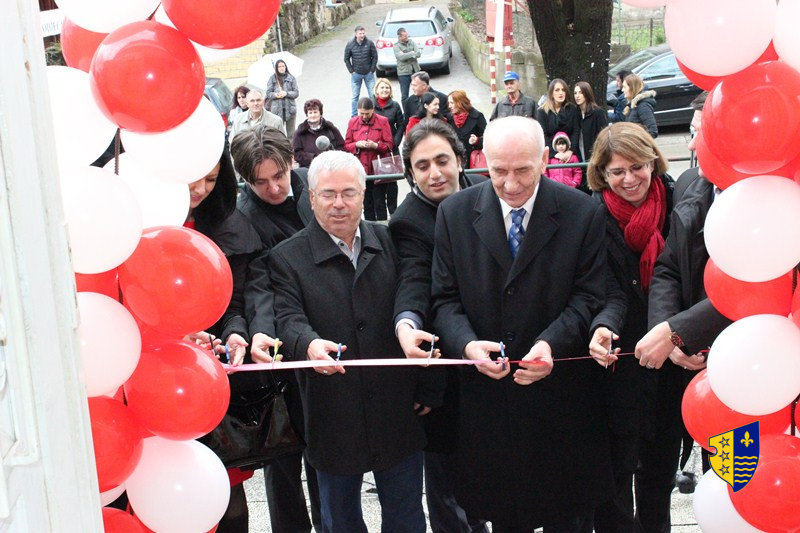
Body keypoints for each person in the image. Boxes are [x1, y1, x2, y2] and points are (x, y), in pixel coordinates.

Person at [430, 116, 611, 532]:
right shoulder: (454, 214)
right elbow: (444, 299)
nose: (511, 184)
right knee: (506, 518)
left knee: (569, 518)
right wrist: (467, 345)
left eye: (523, 170)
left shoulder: (582, 212)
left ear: (545, 159)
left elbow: (589, 296)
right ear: (482, 161)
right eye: (498, 171)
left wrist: (551, 344)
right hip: (492, 410)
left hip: (561, 405)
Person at [267, 150, 427, 533]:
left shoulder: (390, 241)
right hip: (331, 414)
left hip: (395, 410)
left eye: (349, 193)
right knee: (340, 521)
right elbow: (287, 318)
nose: (339, 203)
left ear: (363, 194)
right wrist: (308, 344)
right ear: (311, 197)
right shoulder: (287, 258)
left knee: (406, 517)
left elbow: (413, 294)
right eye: (328, 194)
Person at [633, 91, 731, 532]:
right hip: (678, 366)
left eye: (700, 135)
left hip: (741, 380)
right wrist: (668, 334)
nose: (690, 145)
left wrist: (683, 332)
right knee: (655, 475)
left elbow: (759, 290)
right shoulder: (693, 183)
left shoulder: (780, 198)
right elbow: (669, 267)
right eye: (692, 133)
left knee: (735, 483)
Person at [391, 118, 489, 533]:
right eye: (422, 165)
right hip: (446, 376)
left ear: (460, 159)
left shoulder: (488, 191)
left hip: (497, 360)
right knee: (448, 490)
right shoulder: (409, 221)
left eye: (442, 161)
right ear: (410, 173)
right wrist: (406, 324)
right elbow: (415, 283)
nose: (435, 173)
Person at [229, 125, 321, 533]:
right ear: (246, 181)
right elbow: (257, 286)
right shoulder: (245, 217)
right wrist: (262, 335)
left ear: (291, 162)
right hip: (278, 349)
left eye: (279, 175)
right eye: (260, 182)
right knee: (282, 458)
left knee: (323, 455)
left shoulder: (309, 185)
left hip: (320, 330)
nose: (274, 188)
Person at [585, 122, 675, 533]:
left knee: (659, 477)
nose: (629, 179)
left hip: (670, 358)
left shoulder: (677, 201)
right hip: (616, 363)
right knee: (614, 480)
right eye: (616, 171)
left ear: (652, 161)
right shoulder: (590, 214)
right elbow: (596, 287)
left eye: (636, 166)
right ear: (601, 174)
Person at [185, 147, 262, 532]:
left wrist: (234, 333)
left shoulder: (227, 223)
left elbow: (233, 301)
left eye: (212, 180)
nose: (201, 189)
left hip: (212, 383)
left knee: (228, 492)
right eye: (194, 178)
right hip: (152, 380)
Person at [344, 97, 393, 221]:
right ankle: (370, 228)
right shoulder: (352, 122)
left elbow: (389, 145)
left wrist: (375, 146)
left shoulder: (383, 121)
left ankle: (382, 227)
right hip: (361, 169)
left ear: (373, 110)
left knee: (380, 202)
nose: (364, 116)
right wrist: (357, 144)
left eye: (367, 113)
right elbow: (347, 144)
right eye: (361, 114)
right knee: (367, 204)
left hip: (378, 169)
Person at [372, 77, 404, 215]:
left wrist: (395, 141)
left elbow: (401, 125)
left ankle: (393, 212)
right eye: (382, 87)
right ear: (376, 90)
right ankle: (381, 216)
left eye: (387, 87)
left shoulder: (395, 106)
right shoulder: (371, 105)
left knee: (392, 183)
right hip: (375, 149)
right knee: (378, 183)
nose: (385, 90)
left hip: (391, 149)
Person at [535, 78, 581, 164]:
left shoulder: (572, 109)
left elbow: (576, 131)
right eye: (557, 90)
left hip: (571, 156)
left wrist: (570, 151)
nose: (561, 93)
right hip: (550, 157)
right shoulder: (542, 111)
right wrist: (555, 154)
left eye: (563, 90)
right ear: (551, 93)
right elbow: (543, 135)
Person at [292, 98, 345, 168]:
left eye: (315, 112)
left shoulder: (330, 128)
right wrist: (314, 158)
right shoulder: (300, 132)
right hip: (309, 168)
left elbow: (341, 146)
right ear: (307, 115)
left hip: (330, 167)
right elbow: (296, 153)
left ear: (320, 113)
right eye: (310, 113)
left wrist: (332, 157)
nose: (313, 115)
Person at [446, 89, 486, 168]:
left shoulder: (477, 116)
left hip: (473, 160)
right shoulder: (449, 118)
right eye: (449, 103)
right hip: (457, 161)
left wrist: (477, 140)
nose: (449, 106)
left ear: (460, 103)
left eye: (452, 103)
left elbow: (487, 139)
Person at [344, 25, 378, 117]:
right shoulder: (350, 44)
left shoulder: (369, 43)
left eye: (363, 33)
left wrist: (372, 69)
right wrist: (351, 71)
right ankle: (354, 115)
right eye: (360, 33)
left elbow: (375, 56)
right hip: (356, 74)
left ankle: (375, 113)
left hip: (368, 73)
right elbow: (346, 58)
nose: (362, 35)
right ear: (356, 34)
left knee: (372, 95)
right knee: (355, 96)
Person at [573, 81, 609, 163]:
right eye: (575, 93)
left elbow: (603, 135)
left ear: (587, 93)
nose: (577, 96)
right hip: (580, 157)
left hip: (595, 157)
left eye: (580, 92)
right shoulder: (575, 114)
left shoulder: (598, 112)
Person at [266, 59, 300, 138]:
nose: (281, 68)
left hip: (290, 109)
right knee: (278, 133)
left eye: (283, 66)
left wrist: (286, 94)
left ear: (285, 67)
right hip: (277, 111)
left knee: (291, 134)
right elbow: (268, 93)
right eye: (279, 66)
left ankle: (291, 146)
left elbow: (296, 93)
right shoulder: (272, 78)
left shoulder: (291, 78)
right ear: (276, 68)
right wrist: (276, 95)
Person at [623, 73, 658, 138]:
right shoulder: (632, 105)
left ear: (632, 88)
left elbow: (653, 132)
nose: (622, 90)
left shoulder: (643, 106)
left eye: (624, 87)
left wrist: (634, 141)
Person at [394, 27, 420, 103]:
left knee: (419, 91)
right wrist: (411, 53)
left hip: (415, 70)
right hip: (403, 73)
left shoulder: (411, 42)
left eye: (407, 35)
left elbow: (418, 53)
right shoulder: (396, 46)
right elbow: (401, 57)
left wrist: (406, 54)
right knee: (405, 95)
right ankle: (406, 109)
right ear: (399, 36)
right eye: (405, 36)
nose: (407, 37)